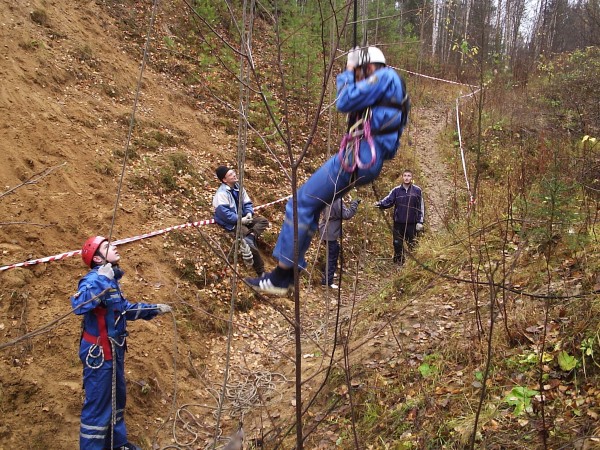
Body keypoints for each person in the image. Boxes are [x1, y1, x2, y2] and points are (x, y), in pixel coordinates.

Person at [246, 46, 409, 295]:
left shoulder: (385, 77)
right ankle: (285, 273)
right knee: (310, 205)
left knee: (300, 203)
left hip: (359, 157)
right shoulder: (394, 87)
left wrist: (347, 72)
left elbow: (343, 101)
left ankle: (282, 277)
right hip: (367, 158)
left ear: (369, 67)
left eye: (361, 72)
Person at [71, 236, 172, 450]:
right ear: (98, 259)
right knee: (98, 407)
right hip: (99, 356)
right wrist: (102, 280)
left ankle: (117, 445)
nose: (115, 246)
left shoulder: (111, 281)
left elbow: (123, 309)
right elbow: (79, 305)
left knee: (117, 402)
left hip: (113, 353)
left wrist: (153, 309)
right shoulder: (93, 280)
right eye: (107, 246)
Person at [213, 165, 269, 276]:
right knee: (250, 245)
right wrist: (240, 220)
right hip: (231, 223)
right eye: (230, 174)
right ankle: (261, 271)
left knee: (262, 221)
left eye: (233, 172)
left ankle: (251, 235)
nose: (234, 175)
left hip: (243, 218)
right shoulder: (221, 194)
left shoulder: (239, 187)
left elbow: (247, 203)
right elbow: (224, 214)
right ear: (224, 180)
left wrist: (248, 213)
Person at [374, 170, 424, 264]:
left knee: (413, 245)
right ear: (402, 177)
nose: (406, 177)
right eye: (405, 175)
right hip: (398, 223)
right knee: (397, 244)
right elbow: (388, 200)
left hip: (412, 224)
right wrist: (380, 204)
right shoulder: (396, 190)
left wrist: (420, 221)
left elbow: (420, 207)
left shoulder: (417, 190)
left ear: (412, 177)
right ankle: (399, 264)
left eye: (409, 175)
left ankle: (414, 265)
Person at [319, 196, 360, 288]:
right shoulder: (336, 199)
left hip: (325, 230)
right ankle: (327, 281)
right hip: (330, 232)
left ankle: (329, 274)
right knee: (332, 256)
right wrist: (354, 204)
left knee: (333, 252)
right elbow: (346, 215)